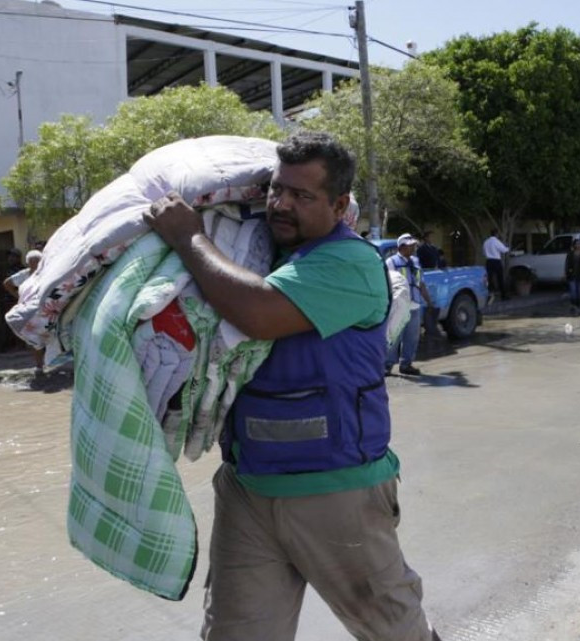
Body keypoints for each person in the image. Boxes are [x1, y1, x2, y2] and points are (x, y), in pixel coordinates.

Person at [144, 132, 440, 641]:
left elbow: (257, 312)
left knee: (397, 634)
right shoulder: (257, 248)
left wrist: (189, 237)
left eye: (302, 196)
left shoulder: (347, 263)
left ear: (339, 204)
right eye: (277, 190)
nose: (281, 204)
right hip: (248, 490)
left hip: (337, 491)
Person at [386, 233, 433, 376]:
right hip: (399, 305)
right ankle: (386, 366)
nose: (413, 248)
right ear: (402, 247)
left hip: (415, 304)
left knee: (412, 337)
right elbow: (387, 284)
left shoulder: (416, 262)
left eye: (414, 245)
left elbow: (420, 283)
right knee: (394, 336)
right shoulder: (391, 262)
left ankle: (406, 365)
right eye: (411, 245)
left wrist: (428, 301)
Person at [4, 250, 46, 372]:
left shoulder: (47, 273)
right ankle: (39, 365)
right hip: (30, 311)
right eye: (32, 262)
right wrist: (19, 297)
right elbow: (7, 283)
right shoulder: (25, 274)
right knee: (35, 337)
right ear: (28, 263)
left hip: (46, 308)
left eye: (37, 261)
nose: (35, 264)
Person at [483, 229, 510, 300]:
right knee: (500, 278)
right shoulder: (496, 241)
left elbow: (484, 252)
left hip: (488, 261)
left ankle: (490, 295)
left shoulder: (486, 242)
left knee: (489, 278)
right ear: (496, 234)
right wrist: (508, 248)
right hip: (496, 261)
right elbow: (503, 250)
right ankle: (503, 296)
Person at [564, 237, 580, 313]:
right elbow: (567, 264)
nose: (579, 245)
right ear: (574, 245)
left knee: (579, 292)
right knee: (573, 291)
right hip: (572, 275)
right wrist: (565, 273)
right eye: (577, 243)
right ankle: (573, 305)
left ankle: (578, 305)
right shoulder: (570, 253)